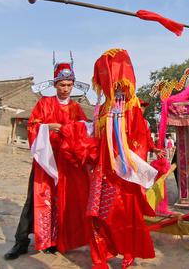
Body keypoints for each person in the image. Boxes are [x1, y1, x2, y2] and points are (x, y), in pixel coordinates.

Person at [63, 48, 157, 269]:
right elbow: (97, 138)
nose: (113, 86)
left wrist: (127, 165)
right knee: (96, 215)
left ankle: (128, 252)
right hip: (102, 171)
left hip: (123, 173)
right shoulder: (103, 109)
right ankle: (99, 257)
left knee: (124, 214)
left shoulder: (132, 108)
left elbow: (139, 141)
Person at [4, 57, 91, 260]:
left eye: (69, 85)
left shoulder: (76, 109)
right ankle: (21, 242)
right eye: (62, 85)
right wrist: (48, 127)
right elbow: (33, 125)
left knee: (62, 200)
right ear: (55, 84)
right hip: (45, 160)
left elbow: (84, 131)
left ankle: (54, 240)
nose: (66, 89)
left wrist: (72, 130)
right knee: (34, 198)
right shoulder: (45, 103)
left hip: (66, 162)